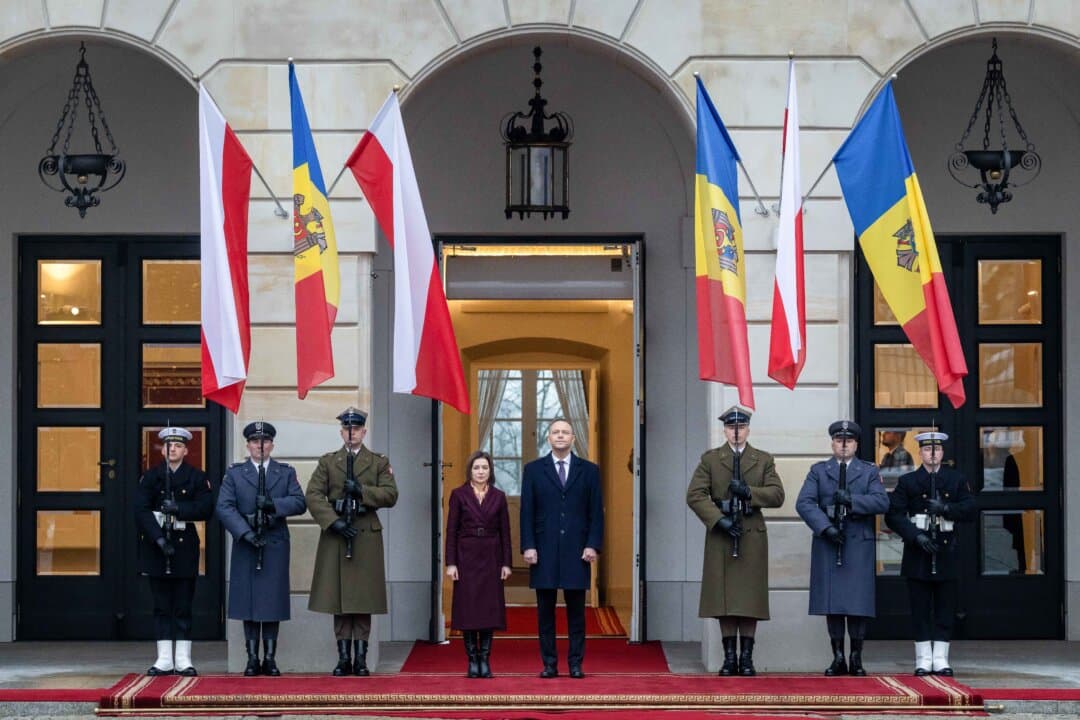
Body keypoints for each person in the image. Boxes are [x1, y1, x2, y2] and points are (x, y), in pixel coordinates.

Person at [686, 406, 785, 676]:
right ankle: (730, 658)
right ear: (725, 429)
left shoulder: (763, 459)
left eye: (741, 427)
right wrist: (719, 519)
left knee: (749, 600)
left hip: (751, 533)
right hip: (722, 533)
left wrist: (749, 493)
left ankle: (747, 658)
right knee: (725, 600)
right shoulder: (711, 459)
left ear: (748, 429)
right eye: (731, 427)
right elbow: (695, 495)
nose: (736, 431)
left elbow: (777, 495)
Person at [307, 407, 398, 676]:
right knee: (340, 599)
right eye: (347, 429)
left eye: (356, 429)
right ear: (341, 432)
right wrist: (332, 520)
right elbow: (312, 494)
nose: (351, 433)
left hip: (365, 534)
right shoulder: (328, 462)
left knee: (363, 600)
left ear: (363, 431)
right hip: (337, 533)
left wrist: (362, 491)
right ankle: (343, 657)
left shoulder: (378, 462)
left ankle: (361, 658)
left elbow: (391, 494)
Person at [796, 420, 889, 676]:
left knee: (857, 604)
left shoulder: (869, 471)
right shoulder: (819, 470)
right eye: (839, 440)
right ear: (833, 443)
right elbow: (804, 503)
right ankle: (837, 656)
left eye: (848, 441)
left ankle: (856, 657)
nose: (844, 445)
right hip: (830, 540)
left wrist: (852, 501)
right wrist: (825, 527)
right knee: (833, 602)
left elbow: (882, 501)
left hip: (857, 542)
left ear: (856, 444)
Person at [216, 421, 306, 676]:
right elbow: (224, 507)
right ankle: (252, 658)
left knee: (272, 602)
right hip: (247, 543)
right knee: (249, 603)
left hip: (274, 542)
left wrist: (272, 506)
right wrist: (245, 530)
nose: (260, 446)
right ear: (248, 445)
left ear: (272, 444)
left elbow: (299, 502)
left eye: (265, 441)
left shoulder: (284, 472)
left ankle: (270, 658)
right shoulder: (235, 474)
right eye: (256, 442)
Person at [885, 430, 975, 676]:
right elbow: (893, 515)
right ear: (921, 452)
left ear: (942, 453)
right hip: (919, 552)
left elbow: (970, 509)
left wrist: (947, 508)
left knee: (946, 608)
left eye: (936, 450)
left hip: (946, 551)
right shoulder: (908, 482)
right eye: (927, 449)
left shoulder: (955, 480)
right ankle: (924, 659)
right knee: (920, 609)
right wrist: (916, 536)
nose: (932, 454)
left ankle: (941, 659)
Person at [521, 419, 603, 679]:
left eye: (565, 432)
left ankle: (576, 664)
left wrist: (593, 544)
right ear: (548, 438)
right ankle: (549, 664)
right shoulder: (533, 470)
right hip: (543, 551)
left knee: (576, 613)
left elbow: (596, 513)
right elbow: (526, 512)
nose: (560, 436)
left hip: (577, 550)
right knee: (545, 613)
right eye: (555, 432)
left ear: (573, 438)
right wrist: (528, 546)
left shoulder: (589, 471)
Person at [134, 427, 214, 676]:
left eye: (178, 446)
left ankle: (183, 658)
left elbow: (205, 508)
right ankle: (164, 658)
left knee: (183, 604)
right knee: (161, 605)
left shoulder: (196, 477)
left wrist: (178, 508)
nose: (173, 450)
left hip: (183, 546)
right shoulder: (151, 477)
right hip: (158, 546)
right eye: (168, 446)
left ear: (186, 450)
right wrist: (158, 539)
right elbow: (140, 510)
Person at [445, 450, 512, 678]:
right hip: (466, 556)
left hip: (491, 557)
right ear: (470, 471)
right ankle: (472, 660)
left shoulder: (499, 496)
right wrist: (451, 563)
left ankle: (485, 659)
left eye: (484, 468)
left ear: (490, 471)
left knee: (487, 610)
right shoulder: (459, 495)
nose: (481, 472)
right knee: (468, 610)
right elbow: (451, 531)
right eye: (476, 468)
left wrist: (506, 563)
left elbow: (505, 532)